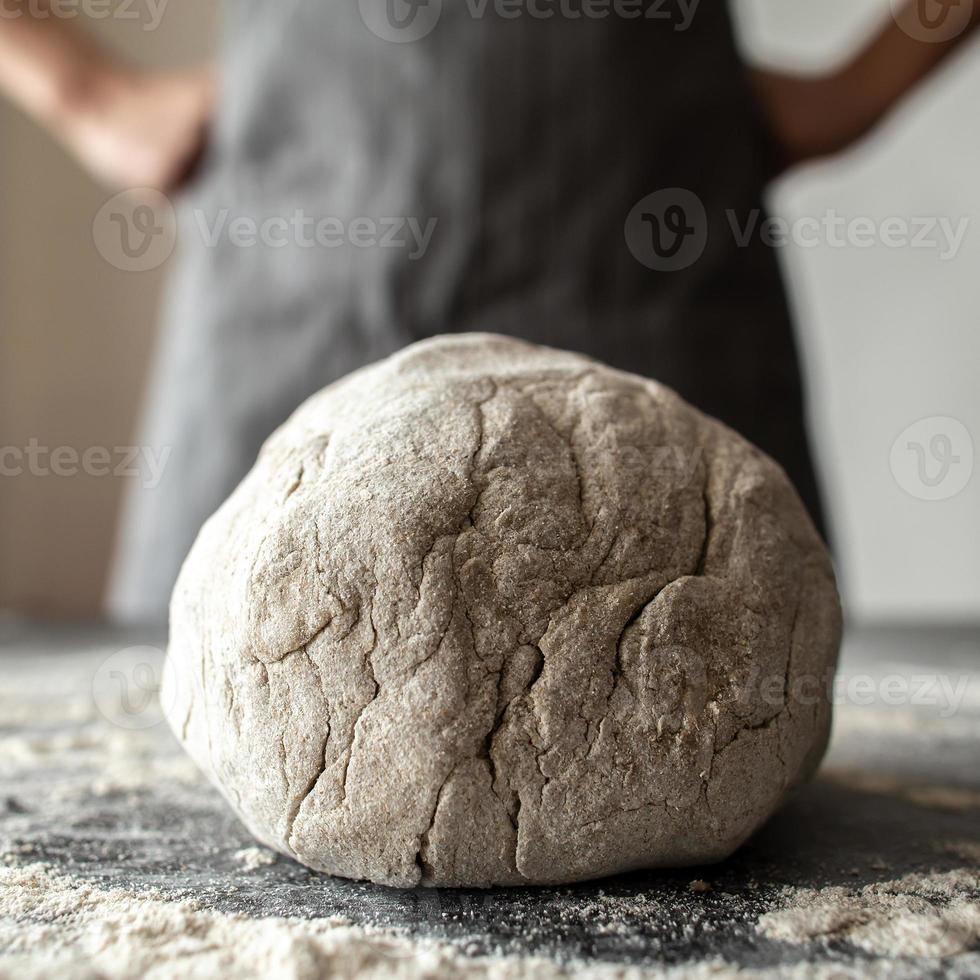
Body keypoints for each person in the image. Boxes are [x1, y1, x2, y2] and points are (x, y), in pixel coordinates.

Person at [1, 0, 976, 622]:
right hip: (302, 236)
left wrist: (865, 86)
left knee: (719, 679)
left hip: (644, 232)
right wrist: (84, 90)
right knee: (189, 721)